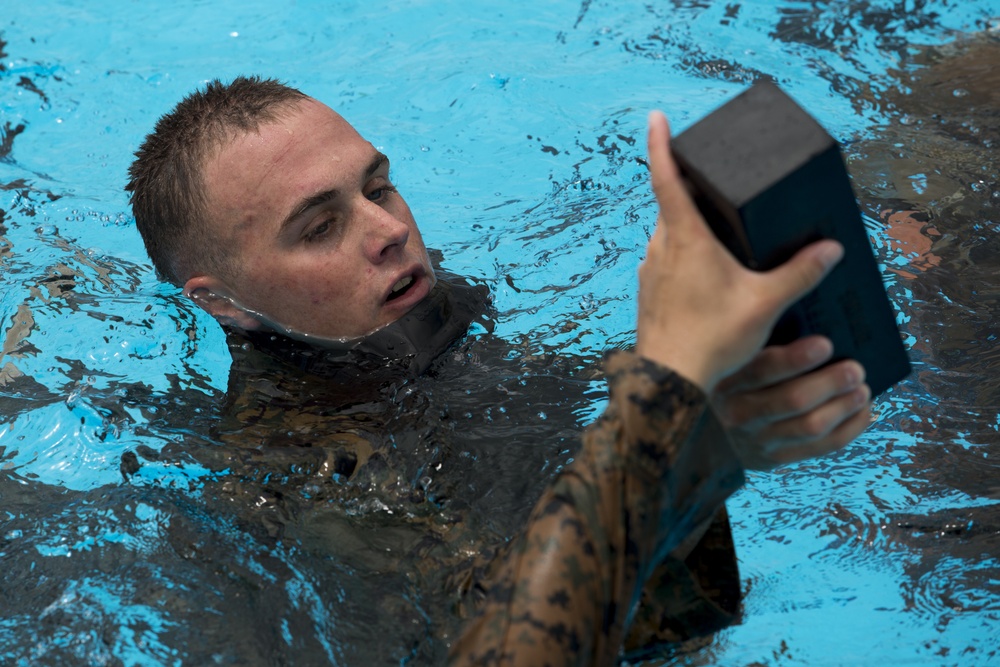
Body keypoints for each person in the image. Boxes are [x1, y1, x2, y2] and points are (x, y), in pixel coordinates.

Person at [126, 77, 872, 664]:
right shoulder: (294, 488)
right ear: (222, 303)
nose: (390, 231)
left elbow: (669, 626)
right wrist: (668, 398)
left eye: (379, 187)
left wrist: (713, 435)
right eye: (321, 227)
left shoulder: (440, 334)